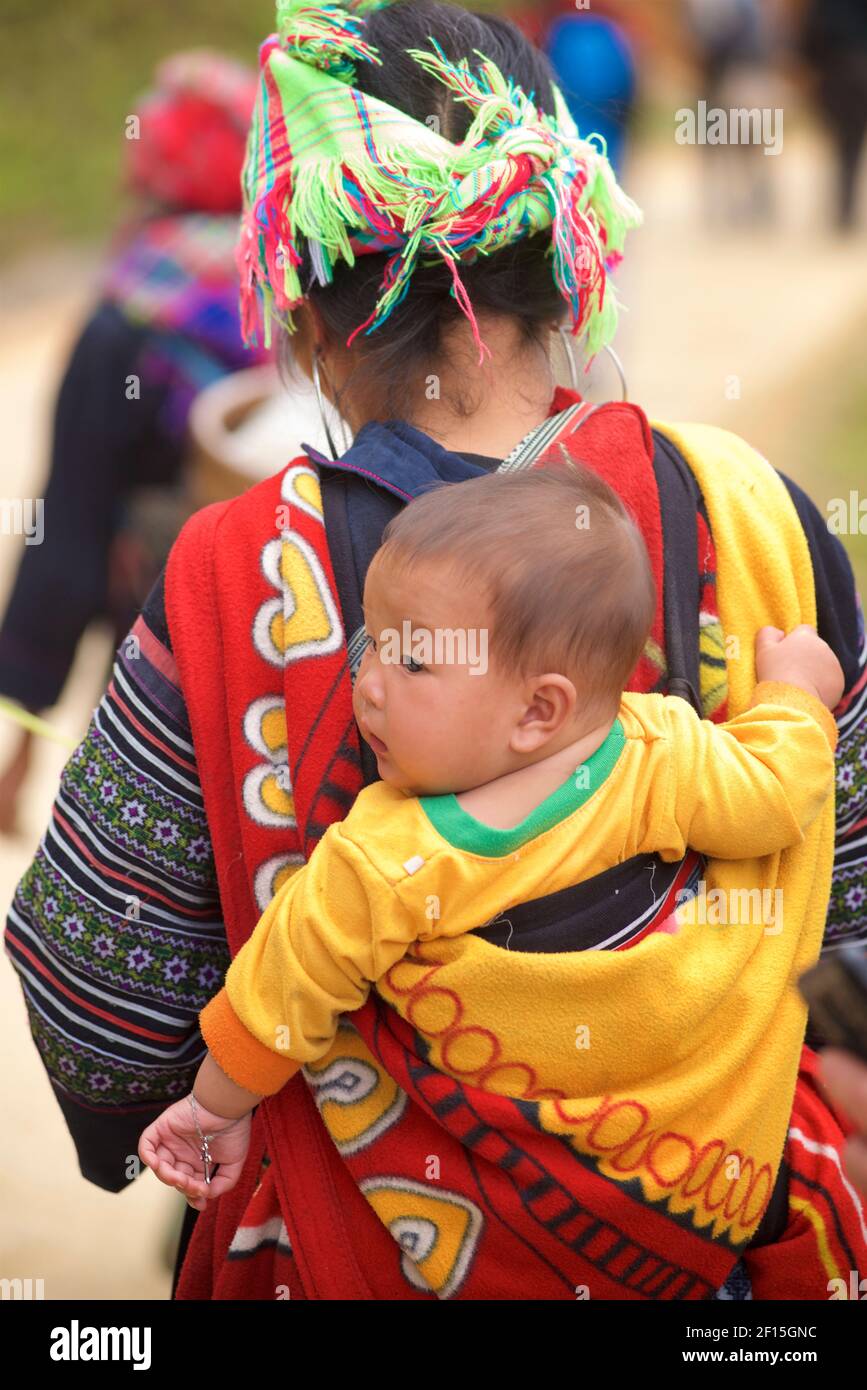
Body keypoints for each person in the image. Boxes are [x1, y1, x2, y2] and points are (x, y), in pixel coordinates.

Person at [5, 0, 867, 1301]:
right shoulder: (759, 519)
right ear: (559, 249)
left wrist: (166, 1122)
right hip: (710, 1254)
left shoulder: (232, 568)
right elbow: (849, 920)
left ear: (297, 303)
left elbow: (97, 988)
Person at [138, 465, 848, 1268]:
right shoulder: (663, 753)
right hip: (677, 1202)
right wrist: (794, 697)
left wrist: (210, 1110)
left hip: (500, 1242)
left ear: (539, 709)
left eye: (412, 666)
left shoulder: (383, 860)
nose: (364, 686)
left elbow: (278, 989)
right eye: (372, 646)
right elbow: (776, 798)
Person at [0, 49, 267, 834]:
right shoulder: (298, 293)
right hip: (288, 636)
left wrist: (25, 737)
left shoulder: (129, 316)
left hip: (155, 640)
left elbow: (71, 525)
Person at [801, 0, 867, 231]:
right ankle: (844, 207)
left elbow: (811, 36)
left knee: (842, 144)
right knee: (850, 145)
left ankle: (843, 207)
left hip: (834, 75)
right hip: (852, 73)